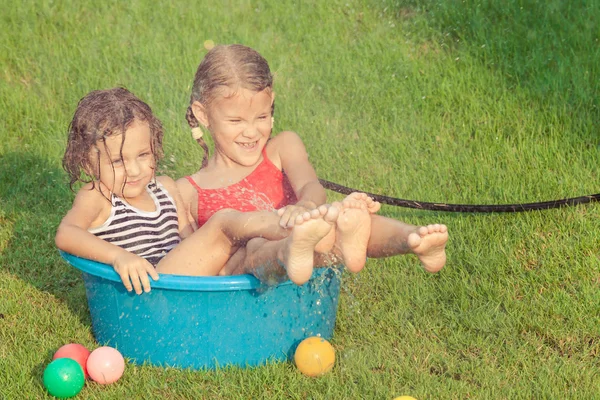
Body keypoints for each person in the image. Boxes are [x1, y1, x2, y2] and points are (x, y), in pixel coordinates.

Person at [176, 44, 449, 280]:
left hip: (304, 256)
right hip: (247, 276)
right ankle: (305, 247)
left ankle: (413, 239)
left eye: (261, 117)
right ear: (203, 114)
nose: (251, 131)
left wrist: (305, 205)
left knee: (343, 215)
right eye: (235, 121)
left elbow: (311, 185)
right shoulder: (188, 191)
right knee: (259, 243)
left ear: (271, 102)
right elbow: (193, 261)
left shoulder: (282, 148)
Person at [55, 87, 344, 294]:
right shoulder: (97, 197)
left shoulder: (165, 189)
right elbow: (67, 234)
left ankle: (294, 246)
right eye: (118, 161)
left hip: (186, 279)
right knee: (222, 224)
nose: (134, 170)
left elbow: (190, 240)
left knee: (252, 248)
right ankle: (292, 223)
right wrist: (119, 257)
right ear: (87, 161)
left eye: (143, 155)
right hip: (153, 289)